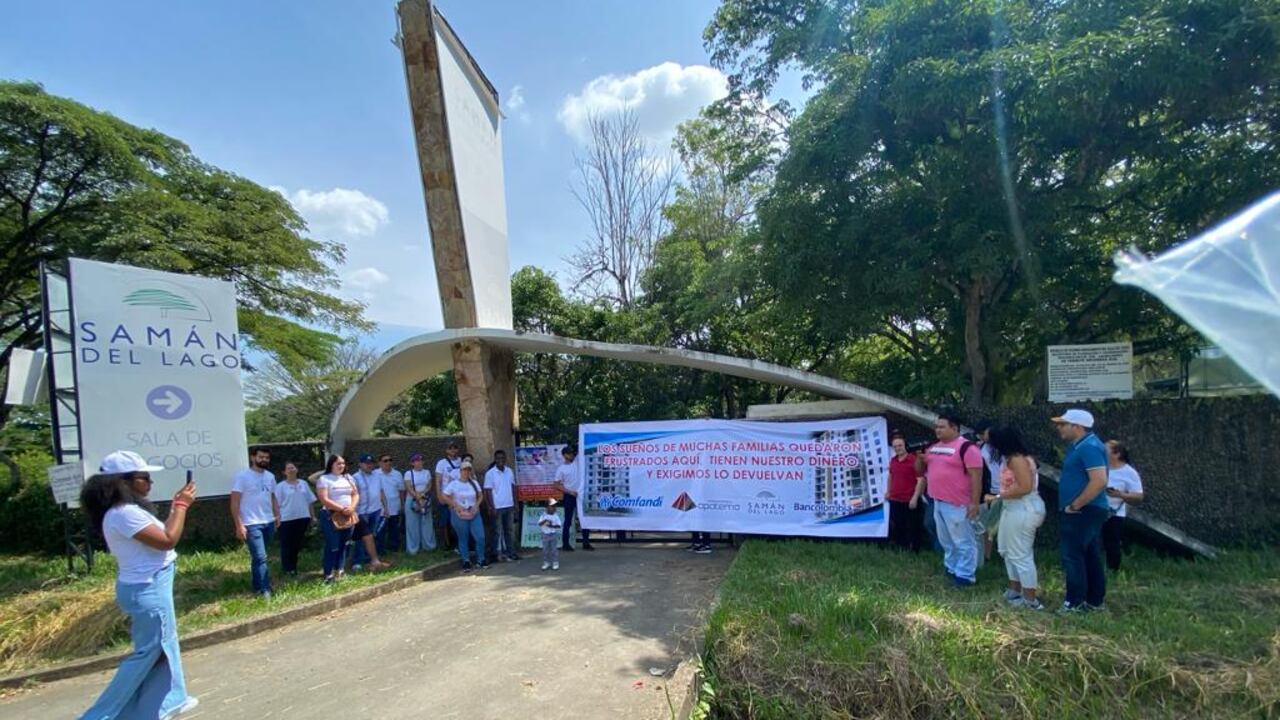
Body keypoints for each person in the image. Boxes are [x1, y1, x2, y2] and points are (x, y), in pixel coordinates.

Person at [78, 450, 200, 720]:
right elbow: (168, 539)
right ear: (123, 481)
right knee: (149, 654)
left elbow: (160, 537)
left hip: (147, 586)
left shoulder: (123, 511)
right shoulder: (124, 513)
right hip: (149, 589)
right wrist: (182, 506)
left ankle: (164, 704)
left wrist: (174, 509)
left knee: (161, 650)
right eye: (144, 478)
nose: (149, 483)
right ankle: (98, 715)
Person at [1053, 408, 1111, 613]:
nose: (1059, 428)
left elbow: (1099, 481)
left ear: (1076, 427)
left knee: (1073, 555)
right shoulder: (1080, 445)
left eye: (1063, 424)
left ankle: (1074, 602)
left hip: (1083, 510)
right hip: (1084, 510)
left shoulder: (1089, 447)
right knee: (1089, 554)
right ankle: (1093, 600)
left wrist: (1076, 505)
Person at [916, 414, 984, 587]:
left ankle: (965, 576)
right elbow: (920, 470)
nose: (938, 430)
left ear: (954, 428)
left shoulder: (967, 448)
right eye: (936, 426)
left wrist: (974, 503)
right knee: (947, 541)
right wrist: (920, 459)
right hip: (937, 501)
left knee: (963, 541)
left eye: (942, 426)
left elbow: (976, 477)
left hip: (958, 504)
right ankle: (952, 568)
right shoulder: (934, 447)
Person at [986, 426, 1047, 610]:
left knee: (1021, 554)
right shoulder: (1010, 458)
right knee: (1006, 549)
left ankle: (1030, 600)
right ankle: (1015, 590)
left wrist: (997, 497)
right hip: (1012, 508)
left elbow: (1025, 487)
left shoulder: (1017, 459)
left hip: (1023, 508)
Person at [314, 455, 387, 584]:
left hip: (348, 515)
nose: (341, 465)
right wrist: (341, 509)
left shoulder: (347, 478)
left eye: (343, 463)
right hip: (331, 515)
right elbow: (324, 499)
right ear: (331, 464)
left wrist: (352, 507)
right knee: (333, 545)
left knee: (344, 544)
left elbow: (355, 494)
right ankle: (328, 573)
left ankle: (340, 571)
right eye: (338, 463)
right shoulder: (324, 479)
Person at [229, 448, 280, 598]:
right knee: (260, 557)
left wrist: (277, 515)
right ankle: (265, 589)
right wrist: (239, 525)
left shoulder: (270, 476)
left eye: (266, 457)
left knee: (259, 558)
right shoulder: (242, 476)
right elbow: (234, 502)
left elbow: (273, 497)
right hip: (251, 523)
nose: (264, 459)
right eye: (261, 457)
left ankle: (257, 586)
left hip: (268, 521)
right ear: (253, 458)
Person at [1103, 440, 1145, 571]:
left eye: (1106, 450)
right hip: (1096, 509)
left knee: (1112, 543)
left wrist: (1120, 494)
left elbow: (1139, 495)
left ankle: (1113, 570)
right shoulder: (1100, 468)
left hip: (1114, 513)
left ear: (1117, 454)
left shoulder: (1129, 472)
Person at [442, 460, 488, 571]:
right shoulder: (454, 484)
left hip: (473, 512)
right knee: (463, 537)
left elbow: (480, 495)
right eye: (464, 470)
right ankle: (466, 560)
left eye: (468, 470)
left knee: (480, 536)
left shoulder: (474, 483)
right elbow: (445, 496)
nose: (466, 472)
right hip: (459, 513)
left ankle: (481, 559)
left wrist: (477, 505)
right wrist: (455, 505)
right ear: (460, 471)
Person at [272, 461, 316, 577]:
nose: (291, 470)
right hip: (286, 519)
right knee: (287, 545)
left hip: (302, 517)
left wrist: (312, 516)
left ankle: (294, 567)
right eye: (289, 468)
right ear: (284, 472)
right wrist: (277, 517)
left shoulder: (303, 484)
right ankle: (287, 569)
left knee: (297, 544)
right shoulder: (280, 486)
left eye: (293, 467)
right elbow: (276, 503)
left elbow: (310, 501)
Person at [887, 435, 926, 552]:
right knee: (898, 525)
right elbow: (891, 476)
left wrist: (915, 497)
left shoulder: (913, 460)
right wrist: (888, 491)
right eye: (895, 446)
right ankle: (901, 548)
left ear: (905, 446)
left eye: (900, 445)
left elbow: (921, 480)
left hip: (909, 499)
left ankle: (915, 551)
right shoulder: (893, 460)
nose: (898, 448)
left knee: (913, 526)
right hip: (895, 499)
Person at [553, 445, 593, 551]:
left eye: (573, 453)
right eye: (570, 453)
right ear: (564, 455)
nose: (572, 455)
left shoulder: (577, 462)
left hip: (580, 495)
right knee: (568, 520)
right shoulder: (561, 468)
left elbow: (582, 446)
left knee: (584, 519)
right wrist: (570, 492)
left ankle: (586, 543)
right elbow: (556, 484)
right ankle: (565, 544)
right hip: (569, 496)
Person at [350, 454, 385, 570]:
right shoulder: (355, 477)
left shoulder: (377, 475)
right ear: (360, 464)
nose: (370, 465)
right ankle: (357, 561)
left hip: (376, 509)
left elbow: (380, 491)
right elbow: (353, 495)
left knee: (372, 536)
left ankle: (368, 558)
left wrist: (385, 507)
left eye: (371, 463)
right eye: (367, 463)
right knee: (360, 537)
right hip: (362, 511)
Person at [483, 450, 520, 562]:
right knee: (497, 532)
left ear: (505, 459)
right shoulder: (490, 473)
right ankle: (495, 554)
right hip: (497, 507)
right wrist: (491, 506)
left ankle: (511, 552)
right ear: (495, 459)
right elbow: (487, 491)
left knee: (509, 530)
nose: (501, 460)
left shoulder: (509, 471)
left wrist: (515, 503)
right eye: (498, 458)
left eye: (502, 458)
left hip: (509, 505)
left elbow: (513, 487)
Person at [975, 421, 1002, 562]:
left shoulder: (1004, 449)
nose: (982, 437)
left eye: (983, 433)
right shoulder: (983, 448)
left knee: (997, 525)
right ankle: (987, 555)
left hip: (1003, 490)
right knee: (987, 525)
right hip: (989, 490)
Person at [403, 453, 436, 554]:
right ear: (412, 463)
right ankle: (413, 548)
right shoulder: (408, 473)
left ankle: (428, 546)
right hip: (412, 499)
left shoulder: (427, 472)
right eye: (417, 460)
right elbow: (408, 487)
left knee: (427, 522)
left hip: (425, 498)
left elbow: (429, 485)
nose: (420, 462)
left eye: (421, 460)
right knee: (412, 524)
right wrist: (417, 496)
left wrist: (423, 495)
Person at [434, 442, 463, 551]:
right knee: (445, 521)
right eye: (450, 448)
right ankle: (446, 544)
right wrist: (439, 495)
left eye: (455, 447)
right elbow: (438, 480)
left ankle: (458, 544)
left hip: (459, 496)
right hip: (446, 495)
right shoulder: (441, 463)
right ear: (446, 450)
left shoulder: (461, 461)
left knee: (458, 521)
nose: (453, 450)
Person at [375, 454, 405, 555]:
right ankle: (380, 551)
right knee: (380, 531)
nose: (388, 462)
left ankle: (394, 549)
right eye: (385, 460)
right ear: (379, 463)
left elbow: (401, 491)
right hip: (380, 508)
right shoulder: (374, 474)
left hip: (395, 506)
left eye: (390, 460)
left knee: (394, 530)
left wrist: (402, 504)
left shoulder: (397, 474)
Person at [538, 498, 563, 571]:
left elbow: (559, 525)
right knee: (545, 549)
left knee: (554, 549)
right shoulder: (543, 515)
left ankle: (555, 562)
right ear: (547, 507)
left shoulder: (555, 516)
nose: (554, 508)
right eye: (552, 506)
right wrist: (545, 520)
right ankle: (546, 562)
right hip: (545, 535)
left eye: (555, 506)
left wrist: (551, 526)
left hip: (553, 534)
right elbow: (539, 523)